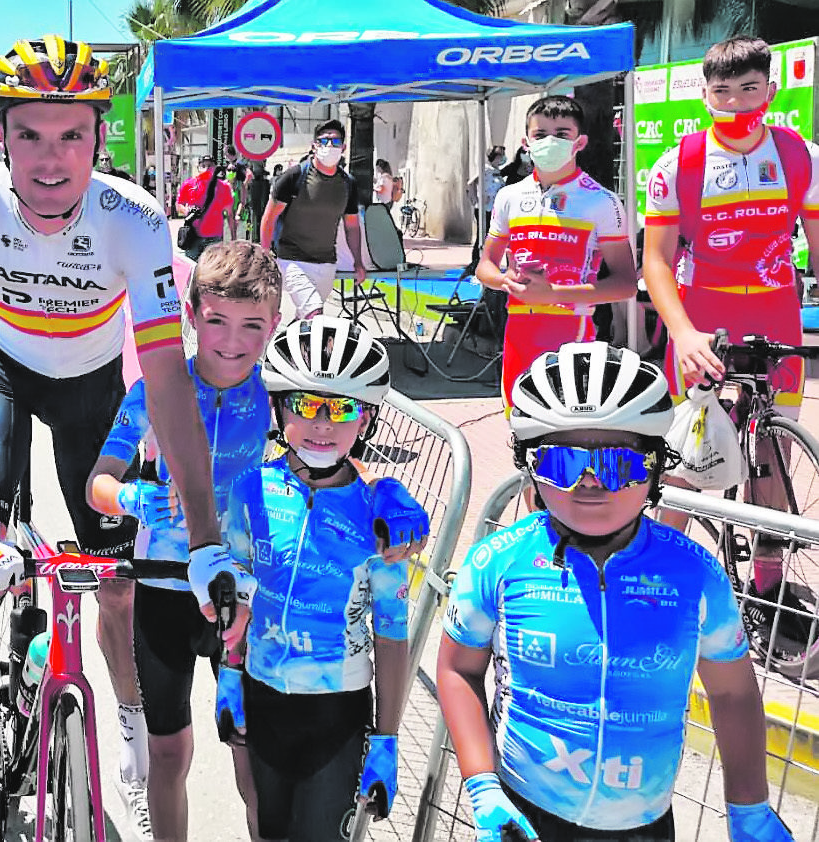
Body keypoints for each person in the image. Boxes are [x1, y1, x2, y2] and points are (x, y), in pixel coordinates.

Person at [0, 35, 244, 842]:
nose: (50, 158)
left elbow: (168, 377)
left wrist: (206, 538)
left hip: (92, 384)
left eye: (72, 135)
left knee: (117, 583)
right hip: (1, 368)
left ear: (100, 139)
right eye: (29, 135)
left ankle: (136, 760)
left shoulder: (133, 218)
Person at [437, 341, 792, 842]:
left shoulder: (696, 574)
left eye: (619, 464)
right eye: (562, 462)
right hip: (522, 816)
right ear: (529, 466)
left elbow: (733, 693)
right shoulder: (497, 560)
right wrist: (481, 786)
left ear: (657, 466)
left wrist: (748, 807)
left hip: (642, 828)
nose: (589, 483)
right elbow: (457, 669)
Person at [87, 241, 281, 841]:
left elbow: (324, 463)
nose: (232, 339)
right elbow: (99, 484)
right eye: (217, 319)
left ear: (275, 324)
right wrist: (132, 498)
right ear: (191, 314)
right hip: (164, 589)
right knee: (169, 754)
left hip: (240, 595)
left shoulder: (278, 397)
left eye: (252, 324)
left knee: (250, 755)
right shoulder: (155, 388)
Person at [217, 316, 426, 842]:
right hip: (261, 695)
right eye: (306, 404)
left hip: (337, 712)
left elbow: (392, 635)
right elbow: (234, 597)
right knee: (265, 829)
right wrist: (228, 675)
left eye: (343, 408)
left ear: (368, 419)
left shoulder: (382, 517)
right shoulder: (250, 491)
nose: (323, 424)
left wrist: (387, 738)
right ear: (279, 407)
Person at [643, 35, 819, 654]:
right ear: (705, 95)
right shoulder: (678, 164)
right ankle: (657, 583)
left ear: (771, 92)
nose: (736, 101)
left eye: (749, 89)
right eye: (722, 91)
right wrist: (684, 331)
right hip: (704, 322)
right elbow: (657, 263)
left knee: (772, 455)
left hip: (777, 315)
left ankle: (767, 593)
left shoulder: (803, 156)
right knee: (687, 463)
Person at [475, 95, 637, 409]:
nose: (551, 142)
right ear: (526, 142)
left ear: (580, 142)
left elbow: (625, 283)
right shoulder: (510, 196)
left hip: (571, 333)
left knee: (567, 435)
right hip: (517, 331)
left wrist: (554, 294)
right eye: (541, 135)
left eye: (562, 135)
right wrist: (505, 281)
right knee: (520, 433)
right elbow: (485, 266)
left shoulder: (601, 201)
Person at [259, 120, 365, 319]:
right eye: (324, 141)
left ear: (344, 147)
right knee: (315, 314)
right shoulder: (294, 177)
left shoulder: (348, 184)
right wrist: (265, 257)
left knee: (304, 320)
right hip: (292, 260)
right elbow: (269, 218)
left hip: (326, 263)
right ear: (314, 145)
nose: (330, 146)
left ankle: (282, 348)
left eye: (335, 141)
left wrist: (358, 261)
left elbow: (352, 227)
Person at [177, 157, 237, 261]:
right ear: (198, 168)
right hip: (193, 235)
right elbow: (179, 205)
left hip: (214, 237)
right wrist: (187, 211)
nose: (206, 169)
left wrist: (233, 237)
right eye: (203, 166)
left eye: (210, 166)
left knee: (212, 271)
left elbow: (230, 214)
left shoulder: (223, 187)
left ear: (214, 168)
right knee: (192, 268)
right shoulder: (189, 184)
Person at [465, 147, 508, 273]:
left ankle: (487, 262)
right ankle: (475, 263)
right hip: (484, 208)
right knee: (482, 235)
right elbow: (470, 183)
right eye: (501, 155)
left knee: (491, 236)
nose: (503, 158)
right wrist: (474, 199)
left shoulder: (497, 171)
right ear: (495, 157)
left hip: (494, 209)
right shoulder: (485, 169)